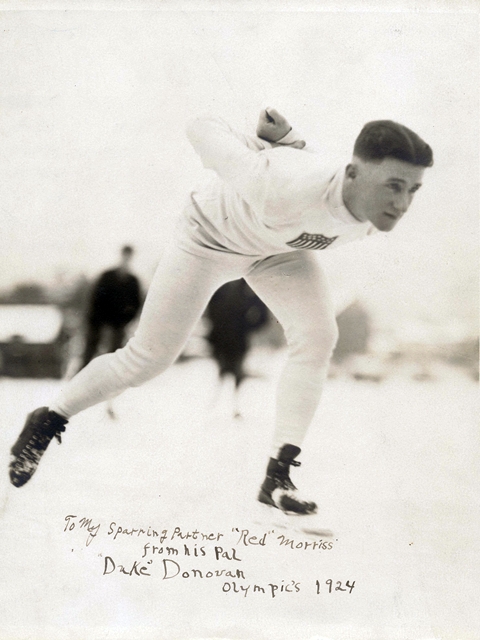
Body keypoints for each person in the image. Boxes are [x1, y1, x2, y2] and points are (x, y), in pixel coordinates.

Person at [8, 108, 433, 515]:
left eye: (413, 190)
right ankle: (49, 418)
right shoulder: (284, 185)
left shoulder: (370, 213)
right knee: (148, 359)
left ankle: (278, 477)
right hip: (207, 238)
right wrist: (254, 144)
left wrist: (288, 140)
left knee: (319, 337)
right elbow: (201, 127)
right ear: (353, 174)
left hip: (274, 251)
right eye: (393, 186)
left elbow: (313, 164)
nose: (402, 204)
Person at [205, 278, 269, 416]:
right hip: (220, 338)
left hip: (238, 339)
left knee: (236, 372)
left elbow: (263, 315)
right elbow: (209, 309)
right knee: (222, 371)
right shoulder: (219, 285)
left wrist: (248, 327)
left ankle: (234, 406)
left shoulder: (247, 285)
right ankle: (217, 405)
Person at [78, 245, 142, 372]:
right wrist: (96, 320)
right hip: (99, 320)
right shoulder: (107, 276)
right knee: (91, 348)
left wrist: (126, 320)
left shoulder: (133, 281)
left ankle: (107, 375)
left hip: (118, 322)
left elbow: (136, 303)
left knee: (115, 353)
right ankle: (81, 375)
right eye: (125, 255)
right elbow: (95, 298)